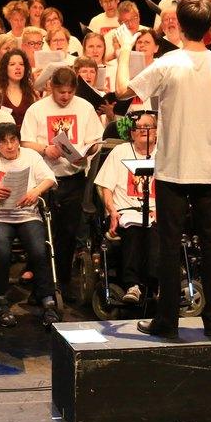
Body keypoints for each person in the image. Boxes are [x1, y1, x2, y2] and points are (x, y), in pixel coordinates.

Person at [115, 0, 211, 339]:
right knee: (209, 242)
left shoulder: (167, 63)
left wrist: (121, 54)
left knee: (170, 242)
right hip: (206, 168)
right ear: (209, 28)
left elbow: (120, 92)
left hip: (174, 169)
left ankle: (167, 320)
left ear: (180, 24)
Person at [20, 67, 102, 300]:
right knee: (45, 234)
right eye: (60, 92)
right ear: (51, 88)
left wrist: (86, 151)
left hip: (73, 177)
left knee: (68, 233)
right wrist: (45, 148)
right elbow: (25, 142)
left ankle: (63, 284)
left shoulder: (84, 108)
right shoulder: (37, 109)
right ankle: (42, 286)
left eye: (69, 92)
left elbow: (95, 142)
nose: (65, 97)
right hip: (44, 178)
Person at [0, 122, 58, 326]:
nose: (10, 146)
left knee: (39, 250)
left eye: (13, 140)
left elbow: (50, 178)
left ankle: (46, 298)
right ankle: (1, 298)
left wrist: (35, 192)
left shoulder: (30, 156)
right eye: (4, 142)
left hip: (27, 215)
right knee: (1, 250)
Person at [93, 111, 160, 304]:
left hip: (156, 211)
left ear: (156, 132)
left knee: (156, 232)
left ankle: (156, 284)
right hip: (125, 211)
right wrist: (112, 211)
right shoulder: (119, 152)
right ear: (131, 133)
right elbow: (105, 187)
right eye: (139, 128)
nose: (144, 131)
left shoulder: (165, 153)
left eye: (148, 127)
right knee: (133, 231)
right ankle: (133, 285)